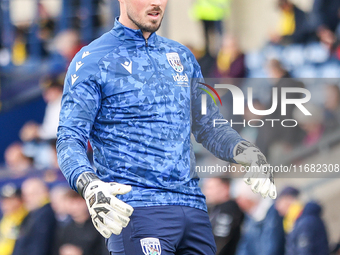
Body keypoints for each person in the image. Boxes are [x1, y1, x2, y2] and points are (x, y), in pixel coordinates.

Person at [56, 0, 276, 254]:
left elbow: (209, 126)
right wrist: (89, 184)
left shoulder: (182, 56)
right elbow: (69, 137)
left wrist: (244, 150)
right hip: (137, 210)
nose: (156, 2)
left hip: (194, 209)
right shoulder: (92, 60)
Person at [235, 181, 285, 255]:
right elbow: (244, 245)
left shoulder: (273, 213)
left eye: (240, 198)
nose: (238, 202)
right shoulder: (249, 217)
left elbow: (272, 245)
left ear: (249, 197)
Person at [275, 186, 329, 255]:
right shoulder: (294, 221)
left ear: (288, 198)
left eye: (279, 202)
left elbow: (305, 251)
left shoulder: (305, 221)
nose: (277, 207)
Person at [53, 190, 108, 255]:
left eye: (78, 203)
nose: (75, 207)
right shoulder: (65, 229)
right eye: (71, 203)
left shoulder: (98, 227)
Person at [12, 178, 56, 255]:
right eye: (25, 195)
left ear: (44, 193)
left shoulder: (45, 214)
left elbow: (39, 247)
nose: (27, 199)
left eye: (32, 194)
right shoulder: (31, 214)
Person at [203, 178, 244, 255]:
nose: (206, 192)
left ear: (225, 188)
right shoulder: (216, 208)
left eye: (210, 188)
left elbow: (220, 242)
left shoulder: (228, 209)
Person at [0, 184, 27, 255]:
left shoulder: (24, 217)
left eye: (10, 200)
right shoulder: (7, 217)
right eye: (4, 201)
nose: (5, 204)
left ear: (20, 200)